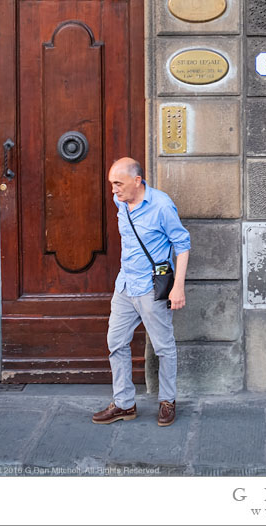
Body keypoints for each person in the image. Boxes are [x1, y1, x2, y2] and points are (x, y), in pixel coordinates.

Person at [92, 157, 190, 427]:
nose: (114, 190)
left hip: (151, 288)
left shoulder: (161, 206)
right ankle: (124, 404)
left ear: (138, 181)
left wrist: (178, 287)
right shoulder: (120, 201)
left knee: (164, 347)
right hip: (125, 286)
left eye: (118, 184)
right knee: (116, 342)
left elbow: (182, 245)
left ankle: (168, 400)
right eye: (112, 184)